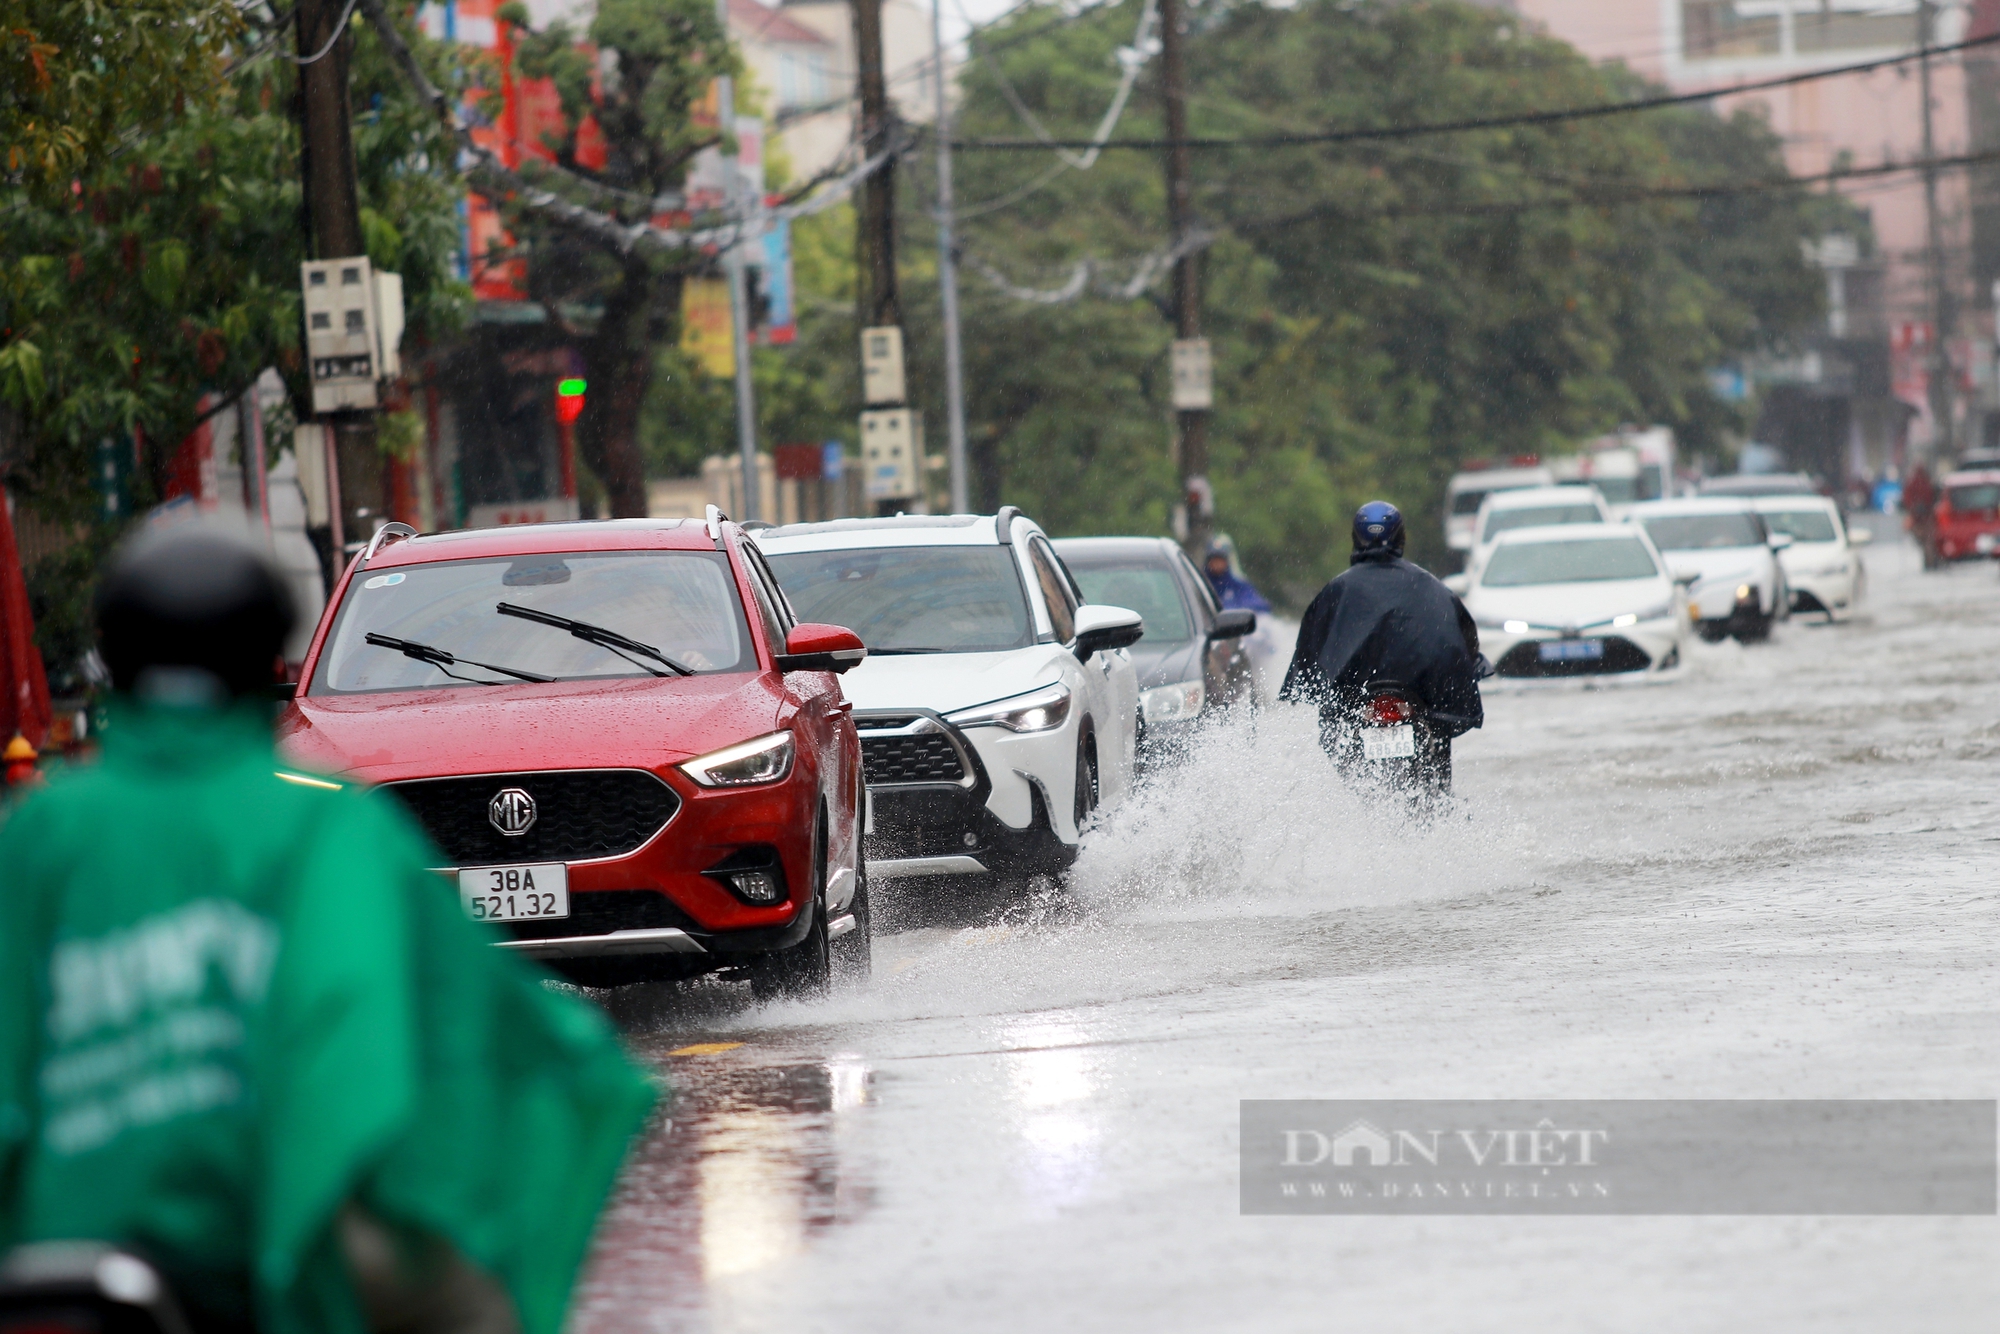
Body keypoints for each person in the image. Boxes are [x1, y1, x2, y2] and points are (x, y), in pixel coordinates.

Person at [0, 522, 655, 1334]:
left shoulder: (38, 832)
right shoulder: (330, 826)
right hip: (282, 1249)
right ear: (272, 667)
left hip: (55, 1250)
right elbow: (486, 1026)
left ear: (114, 665)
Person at [1279, 502, 1485, 788]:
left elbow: (1310, 653)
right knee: (1438, 758)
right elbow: (1460, 640)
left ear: (1355, 537)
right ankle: (1439, 802)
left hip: (1360, 704)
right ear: (1401, 538)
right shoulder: (1430, 586)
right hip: (1414, 702)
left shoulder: (1336, 590)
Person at [1202, 536, 1271, 614]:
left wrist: (1232, 608)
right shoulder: (1202, 583)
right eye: (1213, 559)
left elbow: (1259, 604)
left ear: (1226, 561)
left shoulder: (1237, 584)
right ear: (1208, 561)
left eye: (1220, 559)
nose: (1217, 563)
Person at [1903, 463, 1939, 571]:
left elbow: (1907, 499)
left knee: (1924, 542)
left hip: (1917, 518)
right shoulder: (1926, 482)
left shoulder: (1912, 483)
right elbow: (1932, 498)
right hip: (1926, 518)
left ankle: (1928, 562)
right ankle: (1930, 563)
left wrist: (1913, 508)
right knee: (1928, 542)